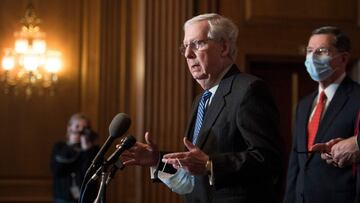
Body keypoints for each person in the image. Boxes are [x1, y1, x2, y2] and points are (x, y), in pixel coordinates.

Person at [121, 13, 283, 202]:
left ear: (223, 47)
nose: (188, 54)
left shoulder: (248, 90)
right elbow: (193, 169)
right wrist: (158, 160)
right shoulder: (201, 100)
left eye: (197, 44)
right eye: (185, 47)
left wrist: (210, 164)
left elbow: (269, 159)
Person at [284, 26, 360, 203]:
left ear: (343, 58)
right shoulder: (303, 105)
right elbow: (296, 163)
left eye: (321, 51)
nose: (312, 57)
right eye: (309, 51)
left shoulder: (357, 97)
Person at [50, 113, 100, 203]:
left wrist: (86, 150)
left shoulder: (94, 150)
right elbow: (57, 170)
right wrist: (70, 146)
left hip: (87, 198)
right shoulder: (59, 147)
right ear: (69, 128)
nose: (80, 131)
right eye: (77, 127)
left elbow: (91, 174)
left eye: (84, 128)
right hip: (63, 198)